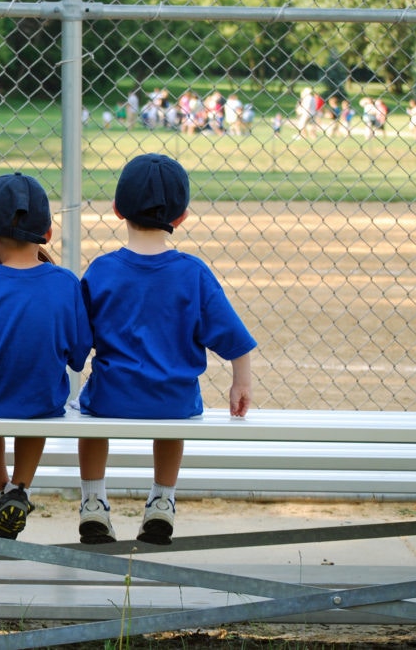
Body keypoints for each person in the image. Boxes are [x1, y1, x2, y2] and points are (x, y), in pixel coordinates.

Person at [76, 154, 256, 546]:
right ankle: (162, 502)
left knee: (87, 415)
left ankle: (93, 503)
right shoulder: (193, 273)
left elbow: (77, 341)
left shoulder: (102, 270)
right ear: (183, 216)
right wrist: (241, 380)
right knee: (174, 416)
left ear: (117, 209)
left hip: (112, 397)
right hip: (174, 400)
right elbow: (232, 335)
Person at [0, 173, 93, 541]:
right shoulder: (66, 284)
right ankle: (19, 488)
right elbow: (79, 356)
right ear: (47, 233)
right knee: (39, 399)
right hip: (40, 401)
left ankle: (0, 489)